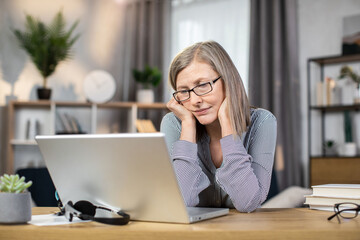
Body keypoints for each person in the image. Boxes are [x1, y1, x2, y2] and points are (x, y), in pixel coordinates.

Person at [160, 41, 277, 212]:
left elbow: (248, 203)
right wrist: (188, 126)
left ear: (228, 82)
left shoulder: (262, 121)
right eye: (184, 91)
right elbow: (180, 203)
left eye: (202, 85)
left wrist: (227, 124)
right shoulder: (174, 123)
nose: (194, 101)